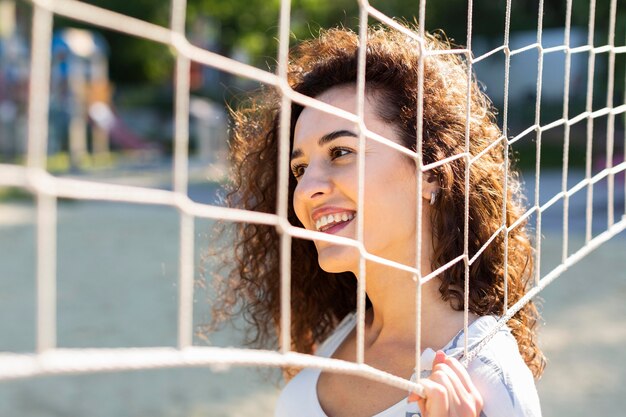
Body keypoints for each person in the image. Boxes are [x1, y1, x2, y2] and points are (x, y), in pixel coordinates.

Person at [210, 24, 545, 417]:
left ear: (432, 171)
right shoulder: (342, 336)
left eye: (340, 152)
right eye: (300, 169)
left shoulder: (487, 377)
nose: (305, 190)